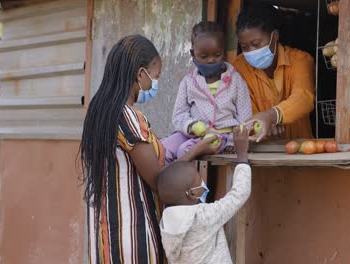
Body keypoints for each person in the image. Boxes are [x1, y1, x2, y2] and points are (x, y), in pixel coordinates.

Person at [79, 35, 220, 264]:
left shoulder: (99, 113)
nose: (155, 82)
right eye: (156, 76)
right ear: (140, 74)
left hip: (106, 233)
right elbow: (160, 181)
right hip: (134, 236)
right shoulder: (129, 117)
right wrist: (198, 149)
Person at [158, 125, 251, 264]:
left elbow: (173, 174)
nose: (202, 180)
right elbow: (238, 195)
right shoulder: (203, 217)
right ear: (192, 193)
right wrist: (242, 157)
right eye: (199, 179)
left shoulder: (165, 221)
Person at [162, 21, 252, 164]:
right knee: (163, 150)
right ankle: (162, 183)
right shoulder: (188, 82)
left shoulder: (235, 80)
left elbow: (245, 116)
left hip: (221, 136)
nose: (211, 60)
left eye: (217, 55)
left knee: (184, 151)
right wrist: (191, 126)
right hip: (191, 134)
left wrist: (234, 141)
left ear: (224, 51)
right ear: (193, 54)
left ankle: (190, 186)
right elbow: (179, 114)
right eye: (203, 56)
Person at [233, 3, 315, 142]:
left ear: (275, 36)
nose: (251, 51)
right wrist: (259, 122)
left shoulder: (300, 60)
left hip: (301, 150)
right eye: (244, 47)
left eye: (256, 43)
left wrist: (271, 116)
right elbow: (243, 111)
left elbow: (303, 98)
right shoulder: (238, 67)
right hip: (259, 152)